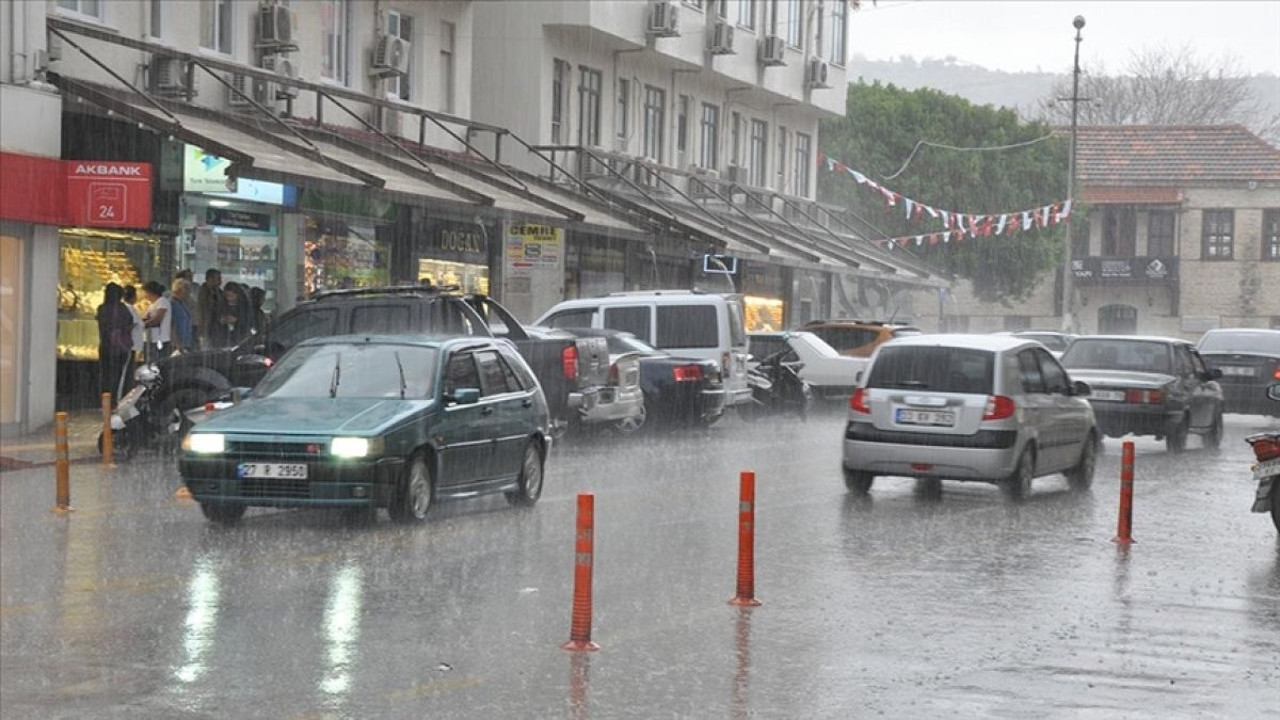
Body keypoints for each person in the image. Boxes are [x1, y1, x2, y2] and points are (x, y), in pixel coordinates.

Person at [96, 283, 134, 403]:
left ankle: (104, 400)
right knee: (117, 375)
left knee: (105, 375)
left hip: (105, 346)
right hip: (120, 348)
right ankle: (114, 401)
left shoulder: (101, 308)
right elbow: (130, 323)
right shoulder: (123, 309)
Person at [142, 280, 173, 359]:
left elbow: (157, 319)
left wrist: (143, 325)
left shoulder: (162, 302)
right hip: (150, 338)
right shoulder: (152, 304)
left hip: (160, 338)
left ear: (151, 292)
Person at [220, 282, 253, 346]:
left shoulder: (244, 307)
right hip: (224, 337)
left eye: (231, 296)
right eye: (227, 296)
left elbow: (249, 323)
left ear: (238, 295)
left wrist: (237, 321)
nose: (229, 298)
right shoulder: (222, 306)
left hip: (240, 337)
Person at [197, 268, 223, 349]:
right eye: (218, 279)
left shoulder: (218, 292)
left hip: (216, 330)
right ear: (210, 279)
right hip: (206, 329)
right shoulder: (204, 293)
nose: (220, 282)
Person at [170, 278, 196, 352]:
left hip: (186, 343)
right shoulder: (172, 304)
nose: (189, 293)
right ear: (179, 290)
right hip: (177, 345)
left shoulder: (183, 304)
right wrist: (178, 343)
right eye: (187, 290)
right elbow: (171, 325)